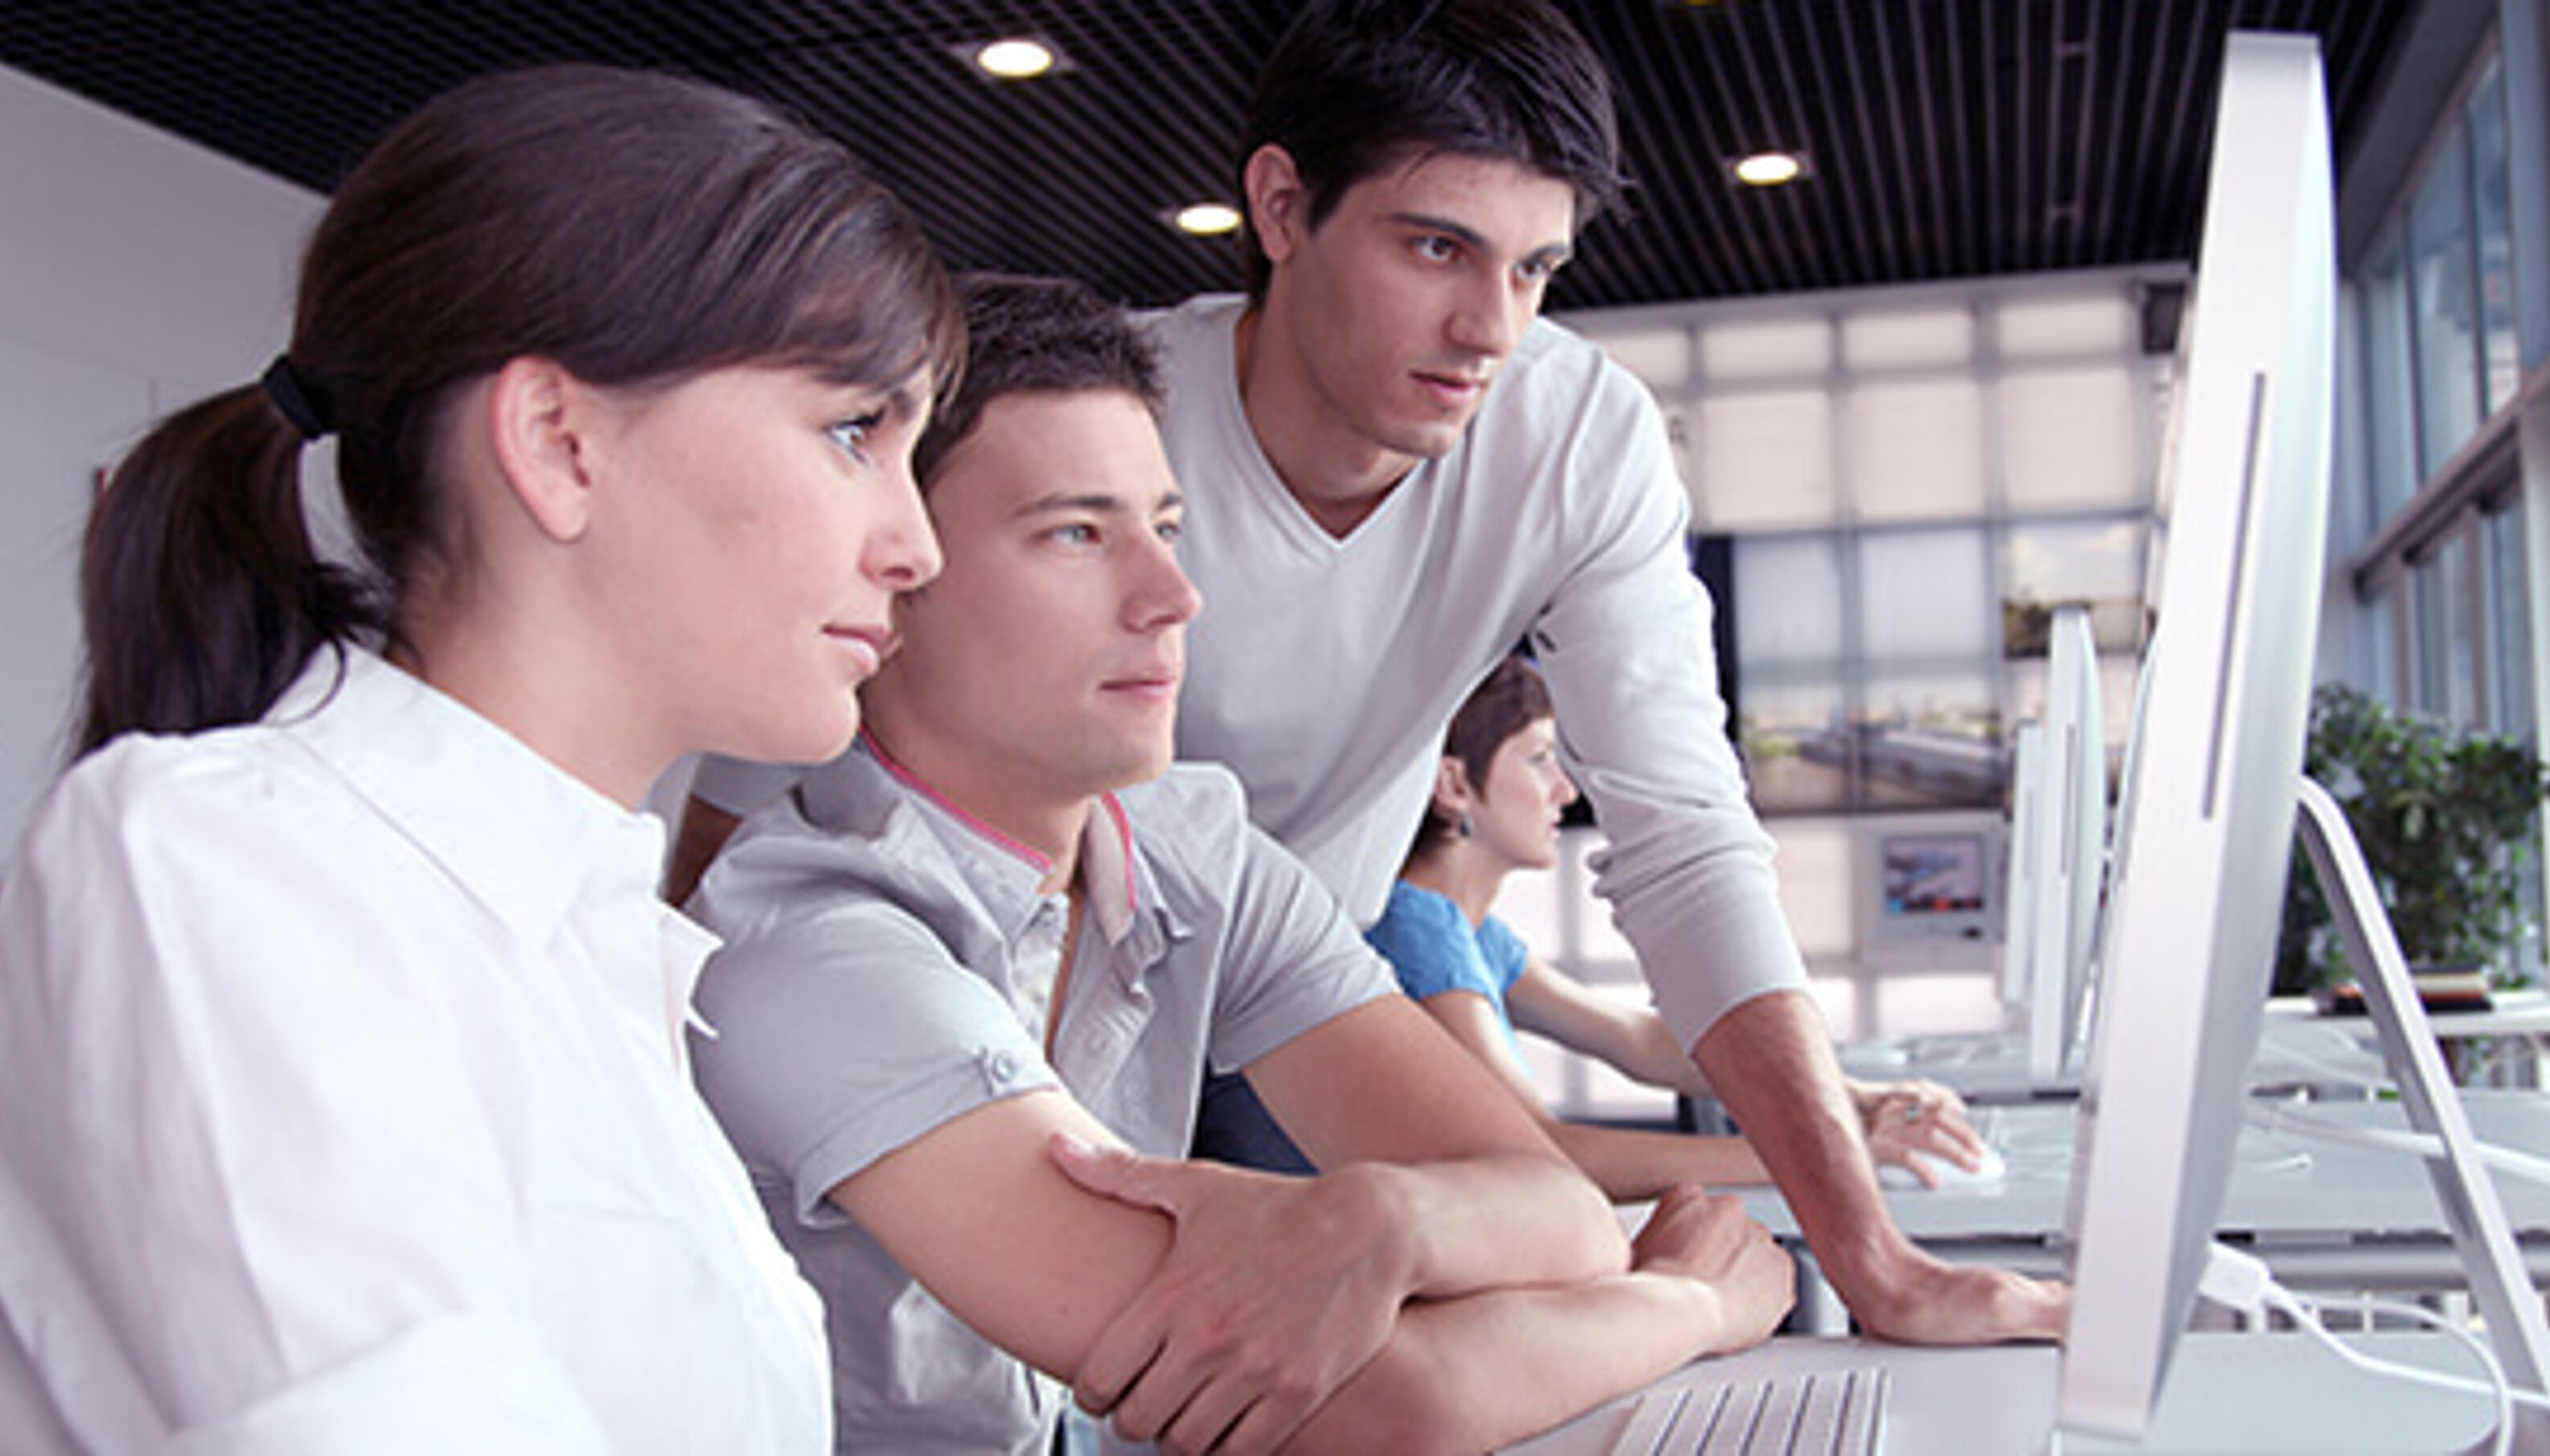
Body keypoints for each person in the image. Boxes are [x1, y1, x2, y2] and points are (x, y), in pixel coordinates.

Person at [676, 0, 2064, 1345]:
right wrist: (680, 1089)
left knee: (1451, 1323)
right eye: (1437, 247)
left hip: (1299, 979)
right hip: (1001, 983)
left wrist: (1872, 1254)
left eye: (1534, 268)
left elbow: (1686, 830)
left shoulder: (1574, 435)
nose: (1491, 328)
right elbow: (751, 797)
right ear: (1280, 209)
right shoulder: (1106, 425)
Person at [0, 64, 959, 1451]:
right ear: (558, 441)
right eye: (853, 431)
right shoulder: (219, 868)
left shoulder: (589, 937)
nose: (915, 544)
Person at [683, 273, 1792, 1456]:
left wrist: (1393, 1215)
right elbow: (1377, 1408)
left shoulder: (1184, 845)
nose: (1173, 596)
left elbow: (1563, 1218)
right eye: (1074, 532)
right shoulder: (803, 946)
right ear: (894, 571)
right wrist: (1697, 1303)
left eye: (1164, 526)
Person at [1272, 655, 1991, 1199]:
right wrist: (1824, 1149)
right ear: (1455, 785)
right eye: (1540, 758)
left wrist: (1846, 1096)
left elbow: (1638, 1041)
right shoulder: (1412, 928)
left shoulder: (1467, 931)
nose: (1566, 789)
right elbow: (1545, 1151)